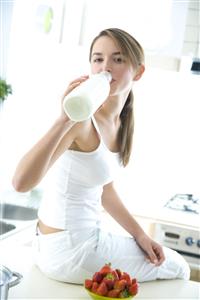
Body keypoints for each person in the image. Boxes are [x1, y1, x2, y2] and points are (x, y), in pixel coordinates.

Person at [12, 28, 190, 284]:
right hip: (73, 250)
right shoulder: (81, 120)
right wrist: (64, 118)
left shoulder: (119, 124)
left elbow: (105, 190)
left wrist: (141, 235)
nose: (105, 67)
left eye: (117, 59)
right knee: (179, 266)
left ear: (138, 72)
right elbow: (20, 183)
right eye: (98, 59)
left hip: (66, 246)